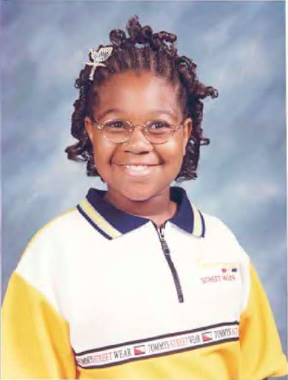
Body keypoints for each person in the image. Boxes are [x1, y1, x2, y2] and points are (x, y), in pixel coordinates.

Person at [1, 16, 287, 380]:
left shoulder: (222, 244)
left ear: (186, 134)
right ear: (91, 131)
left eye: (158, 125)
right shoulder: (51, 258)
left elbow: (260, 370)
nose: (137, 144)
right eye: (117, 125)